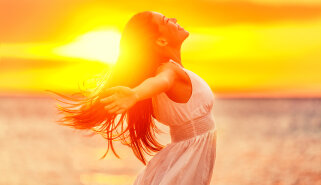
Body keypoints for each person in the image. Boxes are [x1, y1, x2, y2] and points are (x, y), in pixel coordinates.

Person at [52, 11, 217, 185]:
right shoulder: (169, 71)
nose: (174, 19)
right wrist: (136, 94)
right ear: (161, 41)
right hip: (187, 160)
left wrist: (136, 94)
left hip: (183, 157)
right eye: (166, 20)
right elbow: (162, 81)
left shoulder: (168, 71)